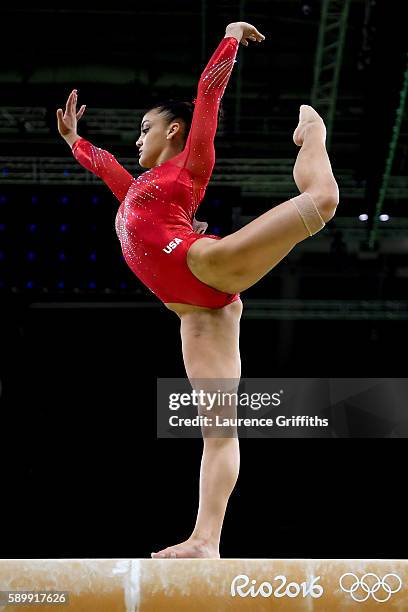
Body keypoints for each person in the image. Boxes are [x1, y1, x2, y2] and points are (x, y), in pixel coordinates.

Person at [57, 20, 339, 559]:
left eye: (145, 128)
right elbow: (107, 166)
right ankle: (206, 541)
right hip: (196, 312)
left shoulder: (191, 166)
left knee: (322, 200)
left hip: (205, 265)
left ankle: (314, 134)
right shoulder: (136, 191)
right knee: (218, 431)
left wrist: (230, 35)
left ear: (175, 132)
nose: (137, 138)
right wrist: (75, 142)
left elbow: (206, 95)